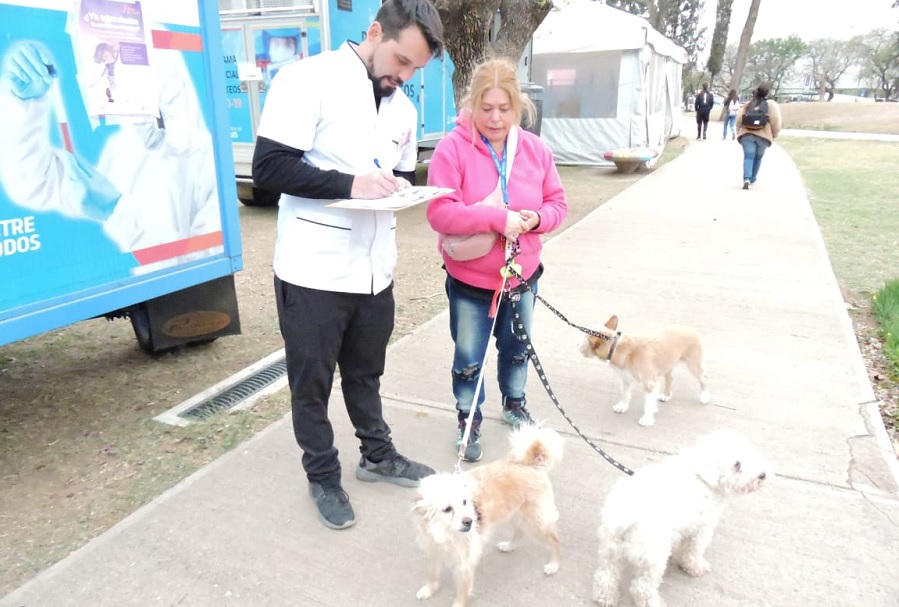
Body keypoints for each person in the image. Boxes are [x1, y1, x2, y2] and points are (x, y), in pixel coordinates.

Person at [251, 0, 444, 530]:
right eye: (401, 61)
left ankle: (378, 457)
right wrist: (349, 183)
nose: (403, 77)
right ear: (375, 31)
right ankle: (323, 475)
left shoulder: (402, 107)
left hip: (374, 270)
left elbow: (399, 173)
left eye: (414, 71)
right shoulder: (306, 79)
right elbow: (268, 168)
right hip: (313, 270)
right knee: (311, 383)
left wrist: (405, 188)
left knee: (366, 373)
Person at [425, 58, 568, 463]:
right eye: (485, 108)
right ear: (471, 104)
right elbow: (440, 212)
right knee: (469, 355)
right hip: (471, 281)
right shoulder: (452, 149)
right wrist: (496, 217)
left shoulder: (535, 150)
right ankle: (467, 419)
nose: (494, 118)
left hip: (522, 277)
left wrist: (537, 219)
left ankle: (515, 402)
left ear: (518, 106)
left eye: (504, 109)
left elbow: (558, 204)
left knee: (517, 347)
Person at [0, 41, 223, 274]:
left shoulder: (208, 162)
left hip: (178, 301)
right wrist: (23, 103)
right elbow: (36, 184)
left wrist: (116, 210)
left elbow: (198, 265)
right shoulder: (120, 150)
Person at [736, 81, 782, 190]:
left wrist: (738, 130)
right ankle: (752, 178)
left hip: (747, 134)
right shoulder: (771, 104)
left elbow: (739, 119)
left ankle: (746, 178)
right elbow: (776, 120)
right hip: (763, 135)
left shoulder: (749, 103)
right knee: (758, 157)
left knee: (748, 156)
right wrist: (774, 134)